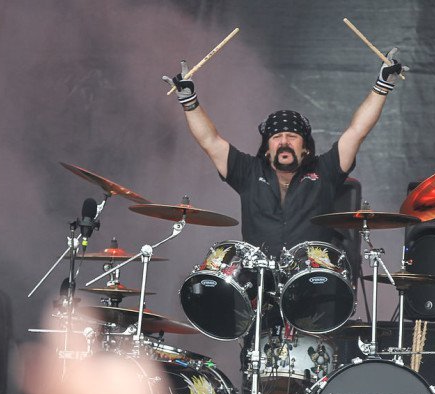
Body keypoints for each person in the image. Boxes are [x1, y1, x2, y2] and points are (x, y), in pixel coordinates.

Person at [162, 53, 404, 258]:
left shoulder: (325, 170)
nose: (284, 142)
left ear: (305, 147)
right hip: (257, 280)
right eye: (276, 137)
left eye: (292, 136)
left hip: (312, 280)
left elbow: (357, 131)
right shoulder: (248, 171)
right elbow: (210, 141)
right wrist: (189, 102)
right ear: (267, 148)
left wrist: (382, 87)